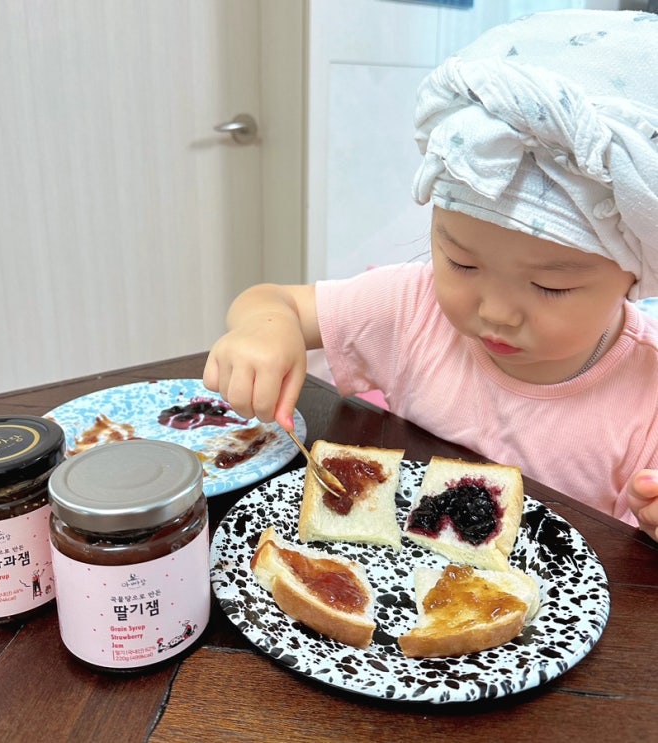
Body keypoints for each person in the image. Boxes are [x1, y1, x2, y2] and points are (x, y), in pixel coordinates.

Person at [203, 9, 658, 541]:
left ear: (633, 278)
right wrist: (265, 330)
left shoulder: (646, 393)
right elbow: (274, 300)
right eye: (462, 263)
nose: (495, 312)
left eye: (550, 286)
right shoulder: (409, 307)